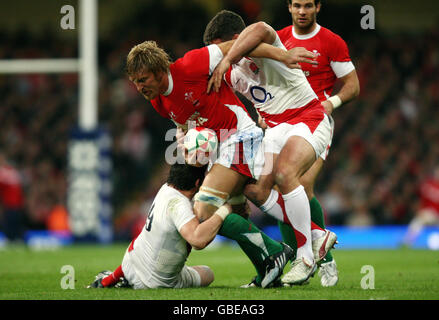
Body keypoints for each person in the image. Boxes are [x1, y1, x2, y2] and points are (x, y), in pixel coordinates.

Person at [125, 40, 298, 288]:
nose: (139, 87)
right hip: (220, 148)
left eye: (143, 80)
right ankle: (267, 272)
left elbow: (240, 44)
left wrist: (282, 55)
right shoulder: (158, 101)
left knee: (205, 210)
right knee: (238, 213)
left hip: (239, 134)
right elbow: (186, 122)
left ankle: (278, 249)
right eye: (135, 82)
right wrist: (184, 138)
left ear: (160, 72)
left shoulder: (191, 65)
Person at [206, 12, 335, 285]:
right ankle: (316, 235)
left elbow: (262, 27)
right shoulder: (228, 73)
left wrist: (230, 56)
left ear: (234, 40)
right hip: (275, 129)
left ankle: (306, 258)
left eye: (222, 46)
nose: (219, 54)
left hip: (307, 116)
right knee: (254, 188)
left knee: (287, 174)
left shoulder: (261, 48)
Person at [275, 0, 360, 286]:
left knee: (299, 184)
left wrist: (331, 103)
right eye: (297, 5)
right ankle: (300, 257)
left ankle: (322, 261)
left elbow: (352, 84)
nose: (302, 11)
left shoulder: (331, 41)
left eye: (308, 5)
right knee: (280, 187)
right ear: (288, 7)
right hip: (283, 121)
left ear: (318, 7)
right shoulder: (279, 39)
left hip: (314, 121)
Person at [88, 163, 232, 289]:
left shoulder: (165, 189)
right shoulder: (179, 204)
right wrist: (224, 211)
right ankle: (120, 279)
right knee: (208, 273)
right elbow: (198, 240)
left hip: (130, 263)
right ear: (197, 183)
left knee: (146, 245)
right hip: (155, 282)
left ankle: (112, 278)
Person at [403, 165, 439, 247]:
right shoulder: (428, 185)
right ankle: (407, 241)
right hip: (430, 213)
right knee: (418, 221)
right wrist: (420, 210)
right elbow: (421, 199)